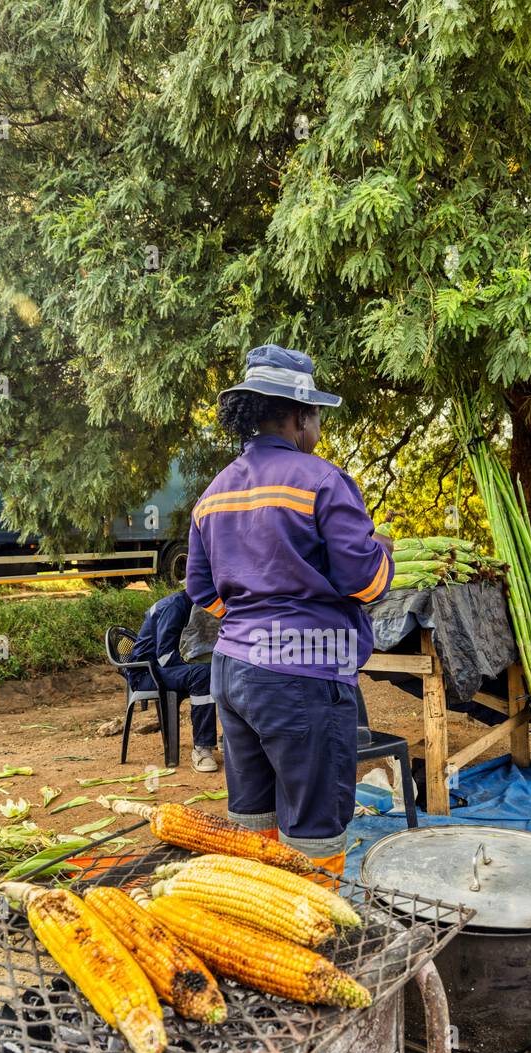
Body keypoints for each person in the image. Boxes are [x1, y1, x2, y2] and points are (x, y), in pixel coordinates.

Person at [185, 343, 394, 878]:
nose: (319, 428)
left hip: (232, 673)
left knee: (253, 819)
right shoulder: (322, 481)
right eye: (317, 416)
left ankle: (259, 920)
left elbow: (201, 590)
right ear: (301, 416)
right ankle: (315, 932)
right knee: (314, 826)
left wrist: (253, 611)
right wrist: (384, 553)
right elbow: (366, 583)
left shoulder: (213, 494)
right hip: (302, 673)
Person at [128, 589, 219, 772]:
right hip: (147, 674)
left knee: (220, 670)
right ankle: (202, 748)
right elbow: (166, 658)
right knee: (203, 674)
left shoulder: (187, 603)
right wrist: (194, 667)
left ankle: (230, 738)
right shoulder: (175, 606)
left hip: (157, 669)